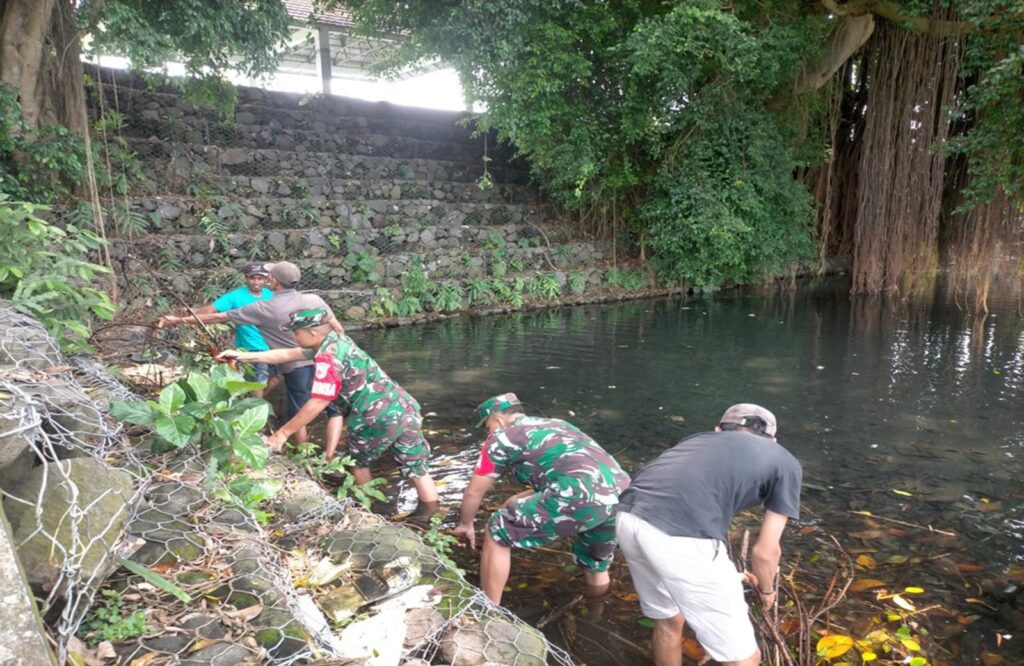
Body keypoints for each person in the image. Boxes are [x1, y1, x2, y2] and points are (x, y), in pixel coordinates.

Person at [614, 403, 802, 666]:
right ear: (773, 440)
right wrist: (768, 591)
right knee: (743, 658)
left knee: (669, 621)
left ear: (718, 430)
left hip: (629, 517)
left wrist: (726, 575)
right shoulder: (784, 461)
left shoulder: (697, 440)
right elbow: (765, 553)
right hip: (681, 535)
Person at [219, 307, 440, 512]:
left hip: (374, 418)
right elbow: (287, 355)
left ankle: (369, 512)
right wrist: (241, 356)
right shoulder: (338, 340)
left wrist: (281, 434)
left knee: (359, 463)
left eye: (296, 333)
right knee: (417, 467)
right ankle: (431, 515)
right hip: (403, 408)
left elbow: (318, 401)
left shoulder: (327, 358)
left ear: (313, 334)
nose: (293, 337)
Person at [453, 393, 630, 605]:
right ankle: (595, 611)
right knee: (595, 562)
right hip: (622, 494)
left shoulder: (501, 438)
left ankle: (490, 611)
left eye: (487, 427)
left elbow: (474, 492)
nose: (487, 433)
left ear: (498, 420)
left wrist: (465, 524)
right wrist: (523, 496)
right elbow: (577, 467)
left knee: (498, 529)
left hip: (579, 494)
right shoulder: (558, 424)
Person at [159, 261, 344, 449]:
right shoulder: (313, 299)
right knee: (331, 409)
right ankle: (330, 456)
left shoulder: (265, 307)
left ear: (273, 281)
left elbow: (218, 317)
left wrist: (178, 320)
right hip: (326, 360)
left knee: (298, 414)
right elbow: (337, 328)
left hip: (296, 366)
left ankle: (304, 457)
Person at [190, 262, 276, 397]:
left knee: (277, 377)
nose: (256, 282)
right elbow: (212, 310)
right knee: (259, 380)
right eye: (252, 278)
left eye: (260, 278)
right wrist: (193, 313)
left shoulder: (270, 295)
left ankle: (255, 404)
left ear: (266, 280)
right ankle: (258, 410)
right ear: (246, 278)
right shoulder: (235, 296)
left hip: (273, 345)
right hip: (252, 346)